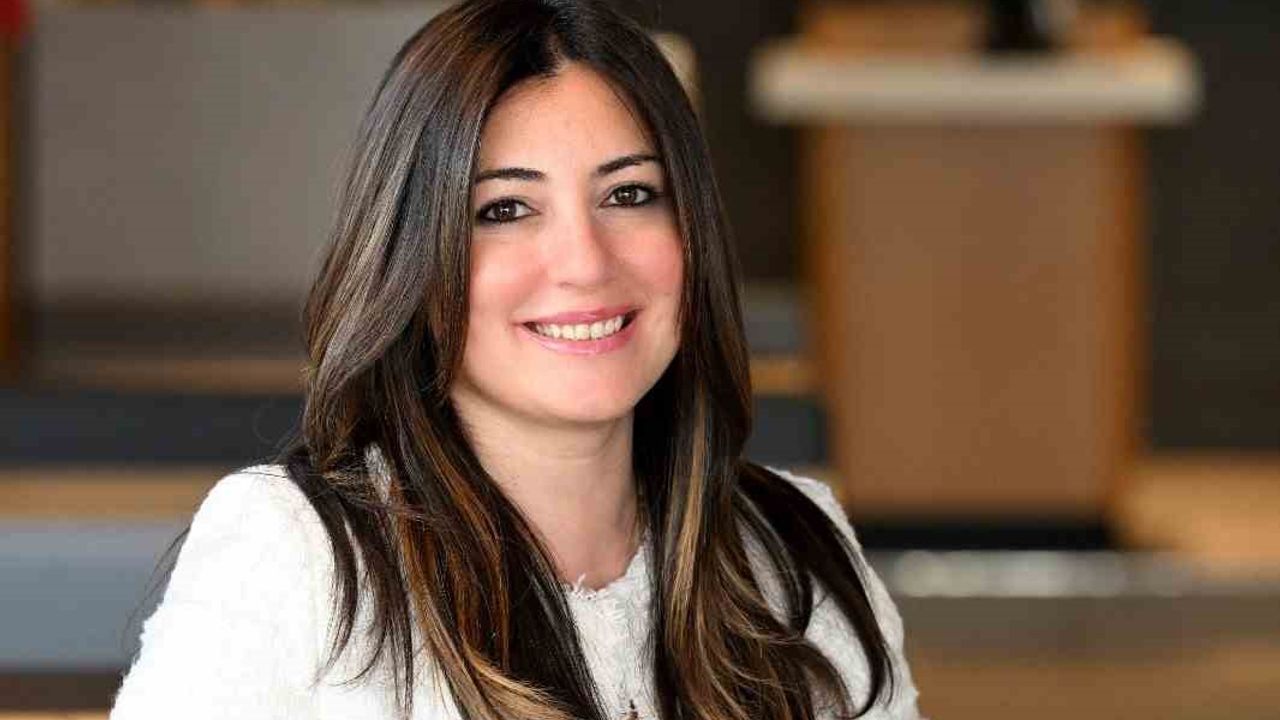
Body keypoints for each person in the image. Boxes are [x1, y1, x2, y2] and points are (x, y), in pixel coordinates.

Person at [109, 1, 924, 718]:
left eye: (629, 194)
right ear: (413, 256)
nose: (584, 262)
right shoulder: (295, 554)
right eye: (505, 209)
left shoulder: (794, 550)